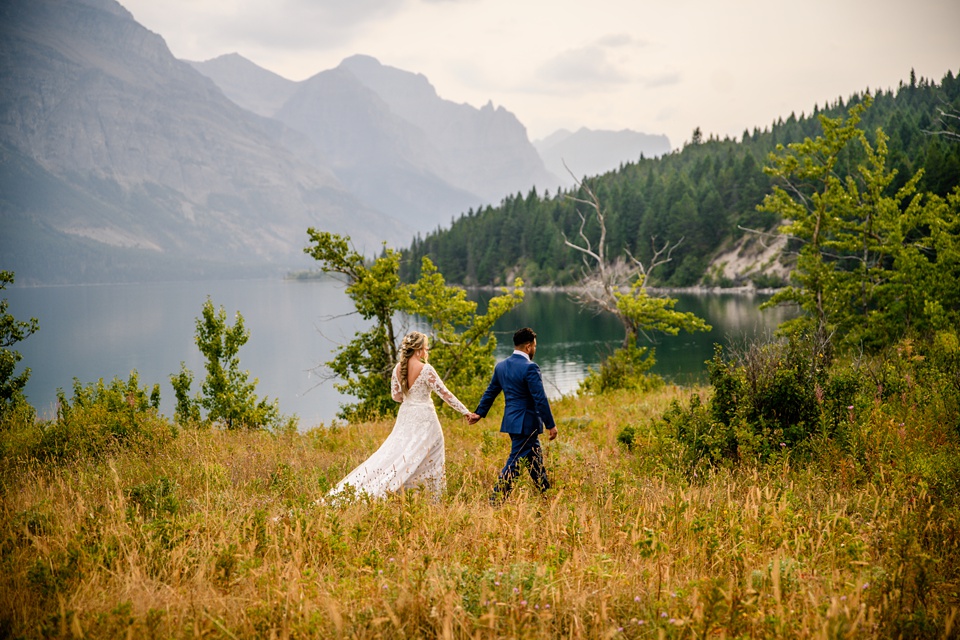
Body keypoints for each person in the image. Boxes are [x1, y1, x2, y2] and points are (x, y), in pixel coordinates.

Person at [325, 331, 478, 502]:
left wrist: (410, 398)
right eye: (425, 346)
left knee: (399, 453)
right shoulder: (426, 369)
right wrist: (465, 411)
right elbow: (445, 394)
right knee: (430, 455)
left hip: (406, 415)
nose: (427, 349)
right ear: (418, 349)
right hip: (425, 417)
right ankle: (431, 498)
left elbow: (396, 397)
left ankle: (404, 493)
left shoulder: (397, 368)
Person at [469, 327, 558, 505]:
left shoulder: (501, 366)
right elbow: (539, 398)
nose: (535, 349)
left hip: (512, 422)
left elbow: (491, 391)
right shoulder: (530, 367)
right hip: (527, 423)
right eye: (534, 346)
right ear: (527, 347)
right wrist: (550, 424)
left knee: (535, 459)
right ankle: (496, 500)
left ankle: (547, 495)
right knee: (515, 462)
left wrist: (479, 412)